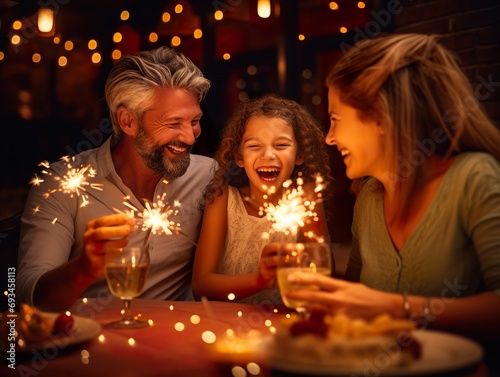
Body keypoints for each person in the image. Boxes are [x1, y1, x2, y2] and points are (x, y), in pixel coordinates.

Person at [282, 33, 500, 344]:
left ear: (380, 116)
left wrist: (395, 307)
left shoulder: (474, 179)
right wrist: (306, 267)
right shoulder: (369, 199)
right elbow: (355, 300)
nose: (329, 138)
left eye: (335, 119)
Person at [17, 47, 215, 312]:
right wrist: (83, 269)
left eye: (195, 121)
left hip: (178, 342)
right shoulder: (62, 183)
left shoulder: (208, 177)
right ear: (128, 121)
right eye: (173, 123)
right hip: (88, 343)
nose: (190, 137)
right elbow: (27, 297)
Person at [192, 94, 333, 304]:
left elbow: (325, 275)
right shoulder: (223, 200)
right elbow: (201, 286)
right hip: (226, 325)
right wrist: (261, 280)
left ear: (300, 154)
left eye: (281, 145)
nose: (268, 155)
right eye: (254, 146)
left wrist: (302, 269)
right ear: (239, 157)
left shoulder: (306, 201)